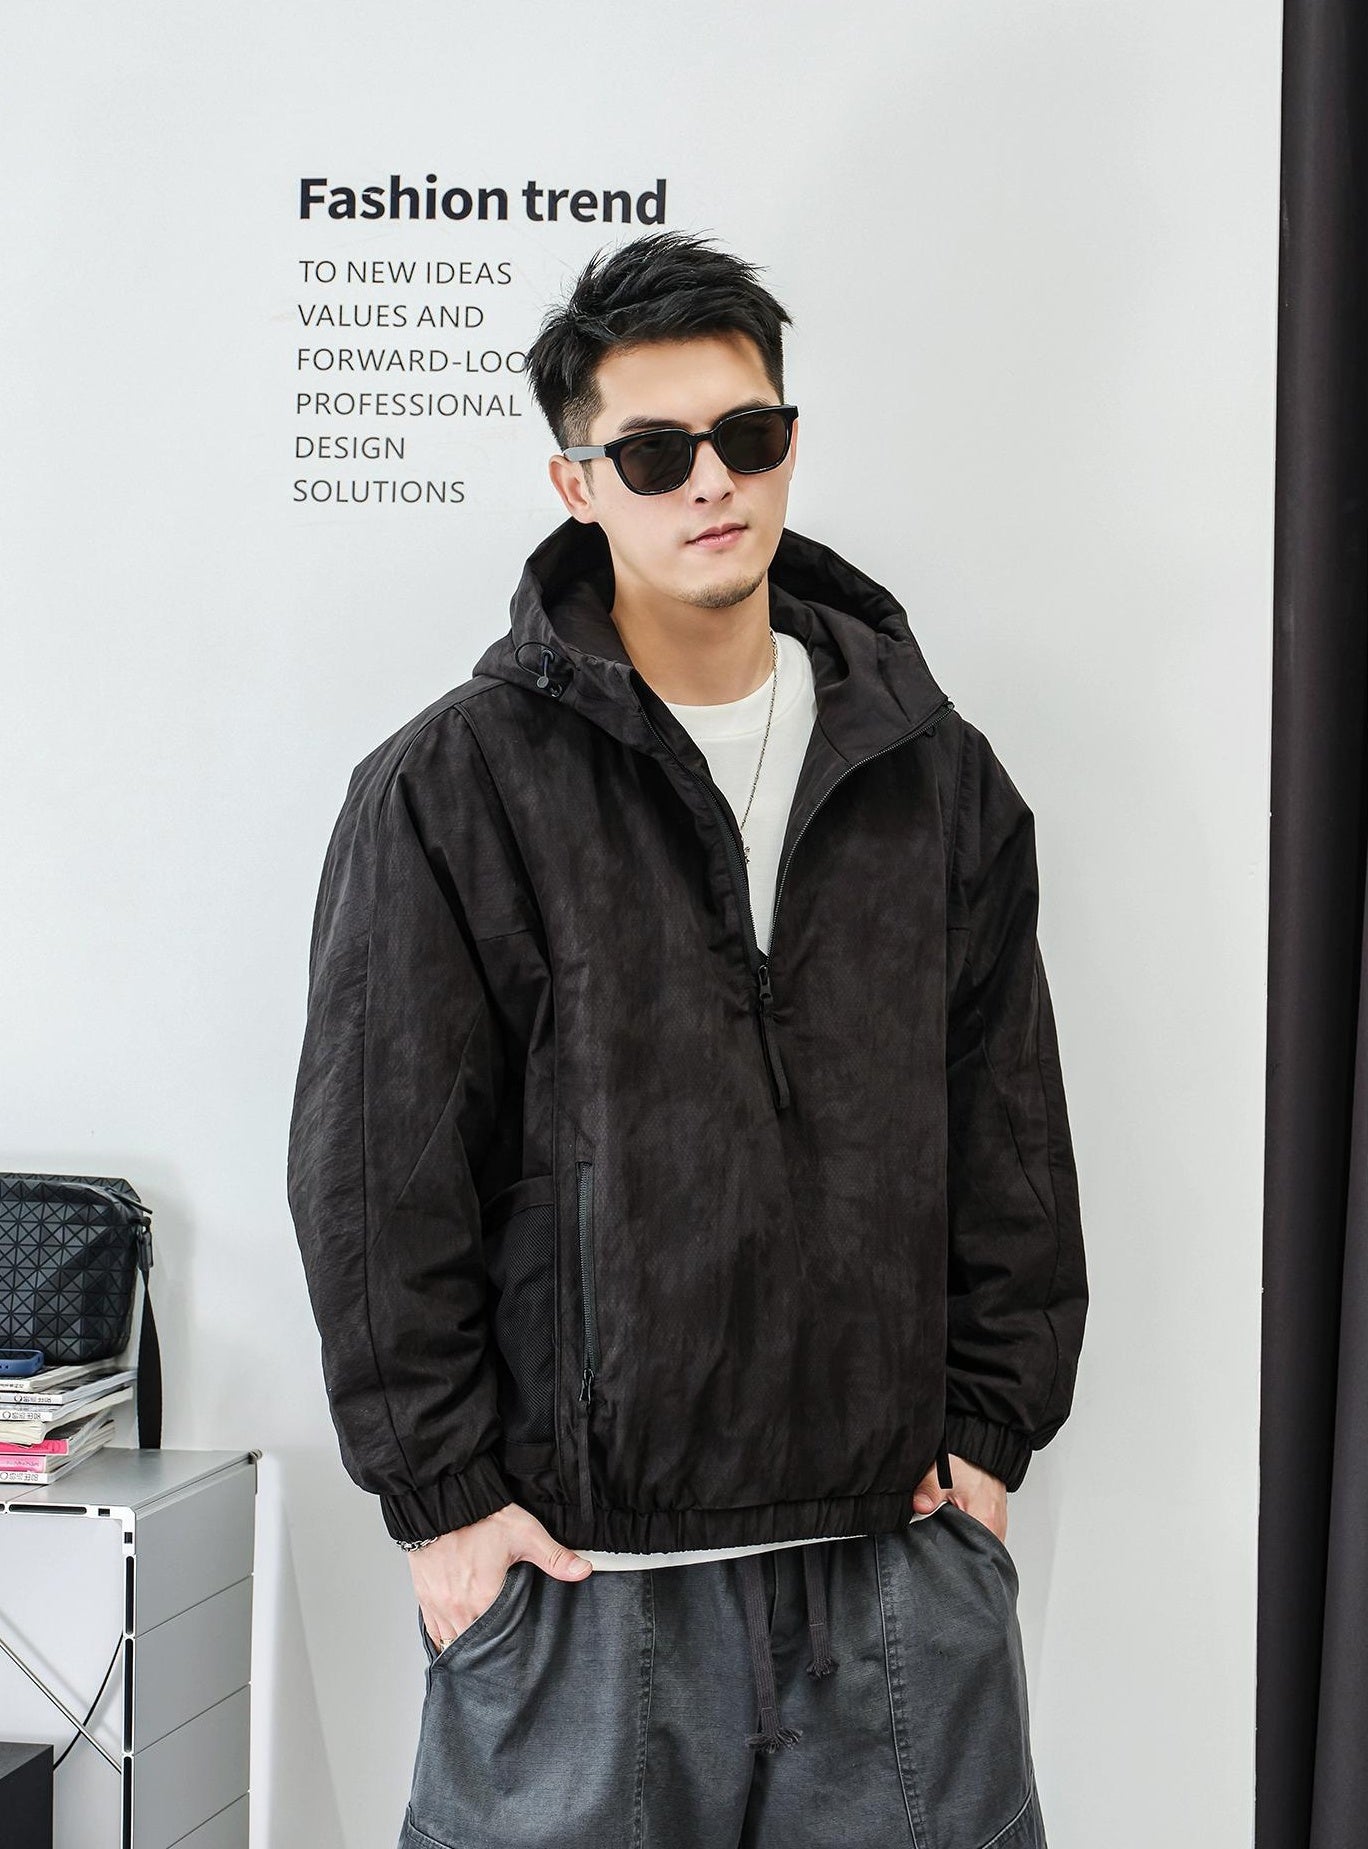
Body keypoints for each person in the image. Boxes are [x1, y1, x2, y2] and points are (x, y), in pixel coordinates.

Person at [287, 229, 1087, 1849]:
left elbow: (1009, 1133)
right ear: (577, 484)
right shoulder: (454, 786)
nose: (711, 481)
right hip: (587, 1587)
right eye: (654, 453)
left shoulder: (937, 776)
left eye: (749, 435)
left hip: (892, 1560)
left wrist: (990, 1440)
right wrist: (443, 1504)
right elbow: (377, 1172)